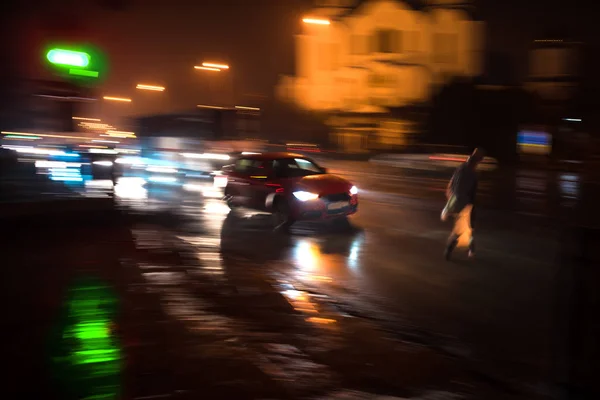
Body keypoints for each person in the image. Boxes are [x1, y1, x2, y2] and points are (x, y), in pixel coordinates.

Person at [442, 148, 485, 260]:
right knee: (462, 229)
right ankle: (449, 250)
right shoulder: (473, 174)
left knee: (467, 229)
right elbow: (472, 194)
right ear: (477, 161)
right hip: (464, 204)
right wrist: (471, 208)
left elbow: (451, 184)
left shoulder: (460, 168)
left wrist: (450, 201)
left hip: (454, 201)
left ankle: (471, 250)